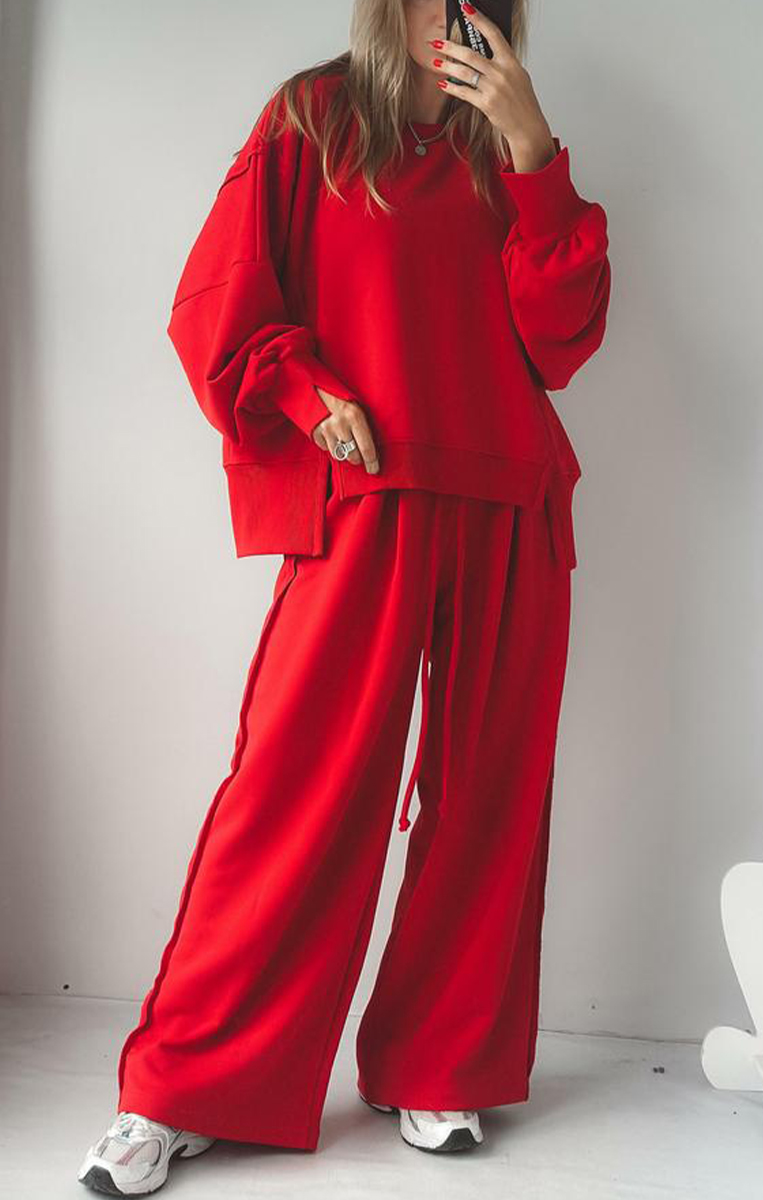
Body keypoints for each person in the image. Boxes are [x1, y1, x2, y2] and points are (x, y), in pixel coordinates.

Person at [78, 0, 611, 1191]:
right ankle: (185, 1086)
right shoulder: (313, 118)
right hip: (366, 495)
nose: (453, 9)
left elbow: (560, 339)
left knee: (485, 802)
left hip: (509, 499)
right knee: (297, 789)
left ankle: (437, 1063)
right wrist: (304, 388)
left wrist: (531, 147)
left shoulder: (504, 141)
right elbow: (219, 298)